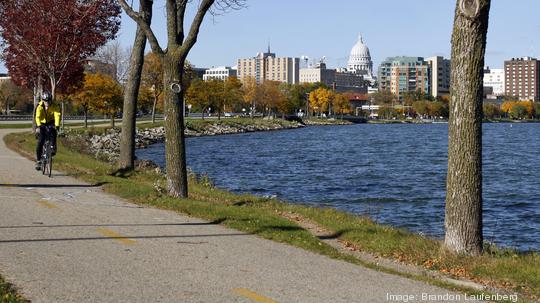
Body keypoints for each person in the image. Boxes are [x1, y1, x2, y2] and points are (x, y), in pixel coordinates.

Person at [35, 92, 61, 170]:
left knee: (53, 132)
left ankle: (53, 147)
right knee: (40, 141)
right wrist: (39, 126)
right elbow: (37, 117)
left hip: (51, 122)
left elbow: (57, 115)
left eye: (49, 101)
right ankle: (39, 161)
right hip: (41, 123)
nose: (47, 102)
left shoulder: (55, 106)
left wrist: (57, 125)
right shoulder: (39, 106)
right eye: (45, 101)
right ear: (43, 100)